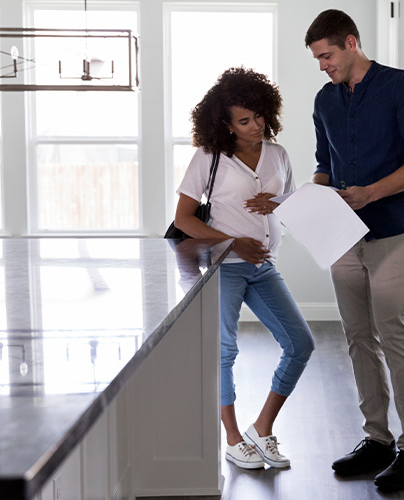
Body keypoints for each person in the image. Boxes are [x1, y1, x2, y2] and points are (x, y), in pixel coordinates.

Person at [304, 9, 404, 491]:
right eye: (317, 59)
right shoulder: (324, 100)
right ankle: (377, 439)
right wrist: (310, 197)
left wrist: (370, 193)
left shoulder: (401, 86)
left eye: (327, 55)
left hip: (391, 231)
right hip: (341, 236)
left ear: (351, 42)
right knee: (359, 338)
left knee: (395, 335)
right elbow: (325, 163)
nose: (323, 66)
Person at [173, 67, 314, 471]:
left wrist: (280, 202)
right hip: (226, 265)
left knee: (300, 343)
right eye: (245, 120)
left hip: (264, 266)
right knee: (225, 351)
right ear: (225, 124)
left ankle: (261, 428)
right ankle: (233, 439)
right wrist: (233, 242)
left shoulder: (278, 155)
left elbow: (287, 206)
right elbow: (184, 218)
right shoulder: (208, 157)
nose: (256, 126)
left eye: (259, 116)